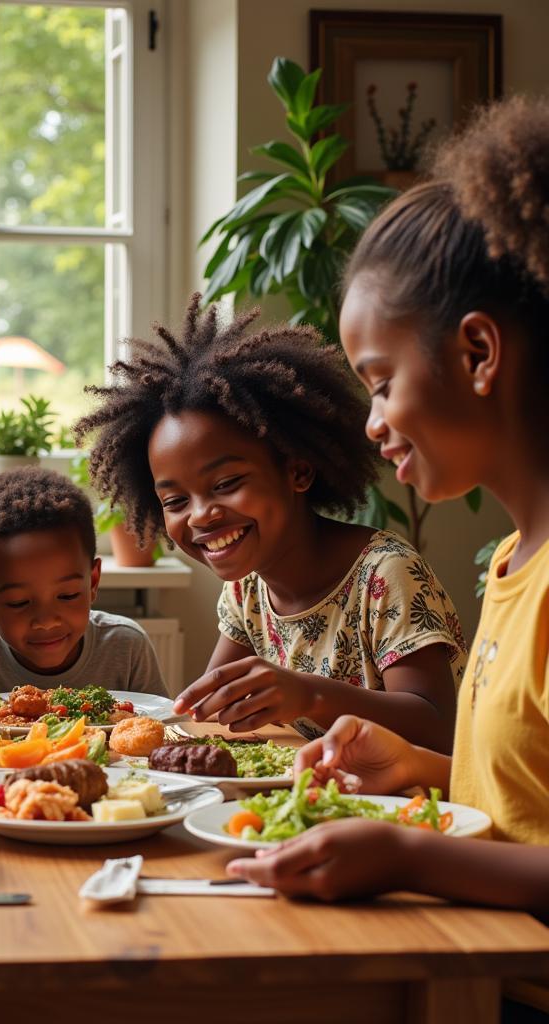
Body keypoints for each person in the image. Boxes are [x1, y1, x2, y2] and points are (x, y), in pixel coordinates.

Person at [224, 95, 549, 924]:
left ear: (477, 353)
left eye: (380, 381)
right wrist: (414, 766)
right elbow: (523, 806)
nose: (372, 424)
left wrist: (406, 852)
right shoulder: (515, 562)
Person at [74, 296, 465, 751]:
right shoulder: (247, 589)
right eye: (176, 499)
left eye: (227, 482)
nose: (200, 514)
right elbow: (212, 714)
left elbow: (437, 726)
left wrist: (309, 695)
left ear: (298, 470)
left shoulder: (385, 574)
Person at [0, 467, 166, 699]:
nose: (46, 622)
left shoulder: (126, 647)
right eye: (19, 602)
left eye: (67, 595)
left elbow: (165, 730)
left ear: (93, 581)